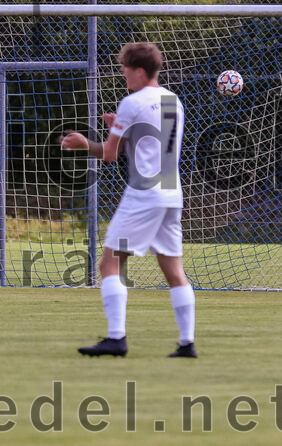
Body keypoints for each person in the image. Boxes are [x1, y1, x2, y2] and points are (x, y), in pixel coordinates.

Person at [60, 42, 196, 358]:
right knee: (174, 271)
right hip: (171, 193)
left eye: (125, 70)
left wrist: (83, 144)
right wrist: (120, 128)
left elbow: (109, 154)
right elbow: (151, 142)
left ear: (138, 71)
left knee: (109, 264)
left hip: (144, 194)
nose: (123, 75)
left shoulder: (132, 102)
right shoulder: (173, 101)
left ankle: (116, 338)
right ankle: (187, 343)